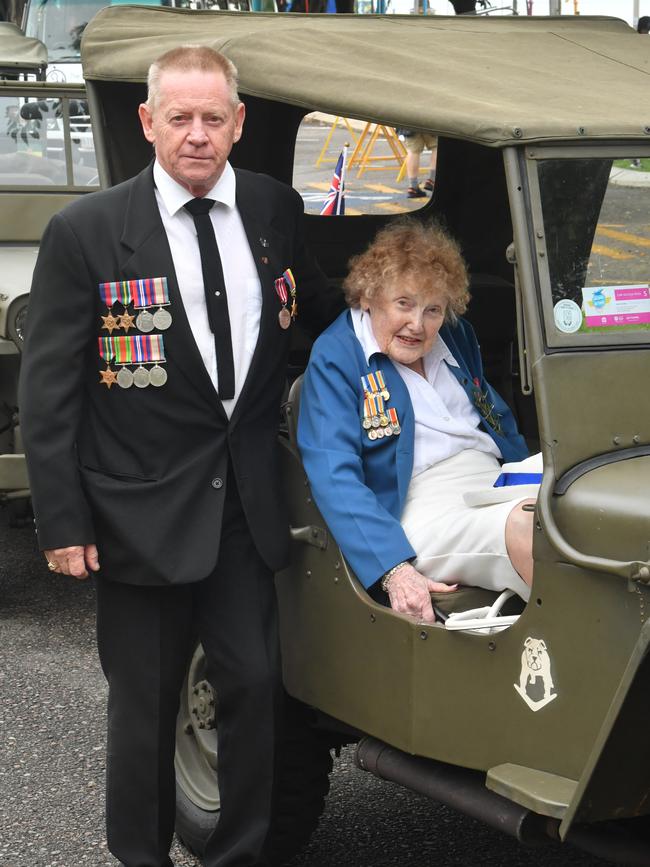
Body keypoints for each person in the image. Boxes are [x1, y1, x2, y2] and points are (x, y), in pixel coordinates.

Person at [19, 45, 341, 867]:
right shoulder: (87, 232)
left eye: (212, 119)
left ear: (238, 124)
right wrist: (62, 519)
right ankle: (141, 858)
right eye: (179, 118)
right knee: (146, 707)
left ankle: (242, 855)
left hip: (243, 507)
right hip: (138, 513)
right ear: (147, 122)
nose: (196, 135)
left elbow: (295, 331)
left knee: (257, 695)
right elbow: (49, 394)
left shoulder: (274, 209)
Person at [298, 219, 534, 625]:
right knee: (533, 529)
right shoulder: (337, 356)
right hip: (416, 505)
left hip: (494, 481)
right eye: (403, 304)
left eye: (433, 310)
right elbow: (333, 475)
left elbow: (496, 418)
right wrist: (392, 567)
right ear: (369, 297)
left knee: (582, 513)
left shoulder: (456, 336)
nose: (418, 325)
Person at [399, 128, 437, 199]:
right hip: (429, 120)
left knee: (413, 151)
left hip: (409, 121)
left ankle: (413, 187)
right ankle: (432, 180)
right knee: (436, 147)